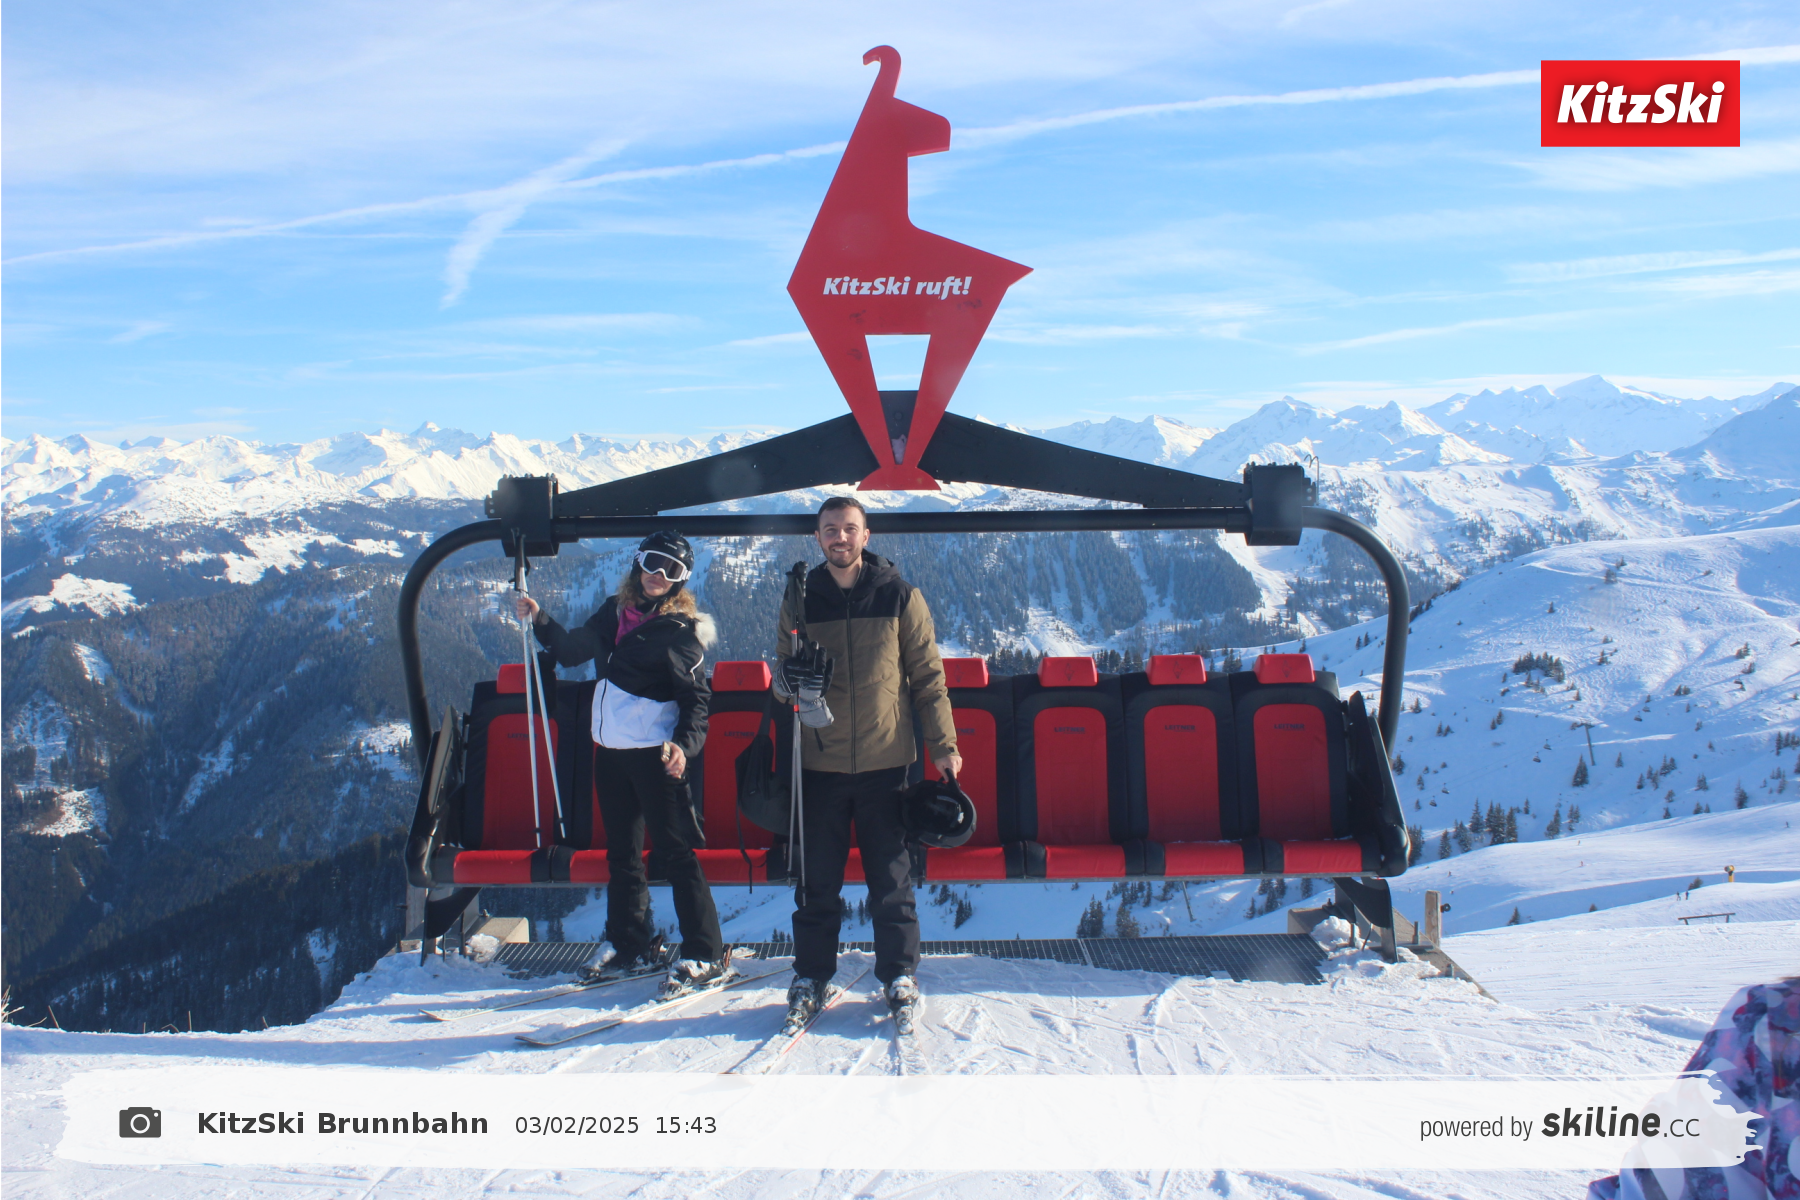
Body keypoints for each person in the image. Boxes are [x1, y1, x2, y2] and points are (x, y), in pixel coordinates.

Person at [774, 496, 960, 1031]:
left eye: (849, 528)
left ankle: (899, 974)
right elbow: (782, 673)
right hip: (820, 761)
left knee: (891, 880)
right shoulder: (800, 596)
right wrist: (787, 681)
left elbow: (928, 678)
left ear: (866, 535)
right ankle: (811, 977)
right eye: (830, 529)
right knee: (817, 883)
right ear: (818, 537)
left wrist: (943, 745)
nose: (840, 537)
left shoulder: (900, 596)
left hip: (887, 763)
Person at [514, 531, 726, 999]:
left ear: (681, 580)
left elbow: (697, 700)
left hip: (655, 757)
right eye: (653, 563)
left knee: (676, 854)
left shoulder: (679, 632)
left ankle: (705, 952)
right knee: (623, 854)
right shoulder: (615, 611)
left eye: (672, 570)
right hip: (609, 752)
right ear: (638, 563)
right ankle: (630, 943)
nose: (659, 575)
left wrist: (683, 747)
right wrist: (540, 618)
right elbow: (574, 650)